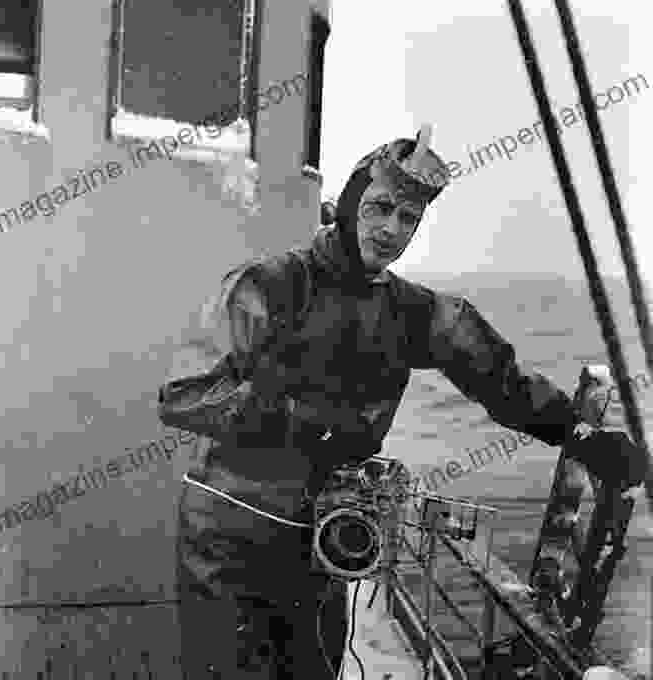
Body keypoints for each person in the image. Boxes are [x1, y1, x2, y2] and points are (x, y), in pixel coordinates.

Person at [169, 125, 646, 679]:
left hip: (325, 539)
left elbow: (501, 380)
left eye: (408, 219)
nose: (391, 229)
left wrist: (580, 436)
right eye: (379, 208)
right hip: (231, 536)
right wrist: (300, 424)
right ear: (348, 206)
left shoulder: (411, 312)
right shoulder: (271, 285)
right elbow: (186, 394)